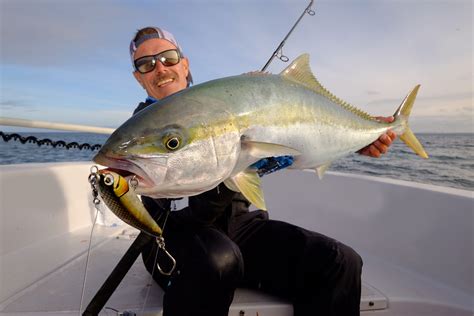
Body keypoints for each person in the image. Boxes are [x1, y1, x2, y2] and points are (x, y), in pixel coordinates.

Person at [129, 26, 396, 316]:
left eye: (167, 57)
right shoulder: (141, 128)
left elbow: (290, 145)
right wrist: (239, 164)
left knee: (340, 261)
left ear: (184, 63)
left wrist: (355, 140)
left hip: (240, 228)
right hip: (171, 238)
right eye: (146, 64)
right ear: (138, 77)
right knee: (217, 259)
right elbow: (190, 213)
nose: (159, 68)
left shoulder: (217, 105)